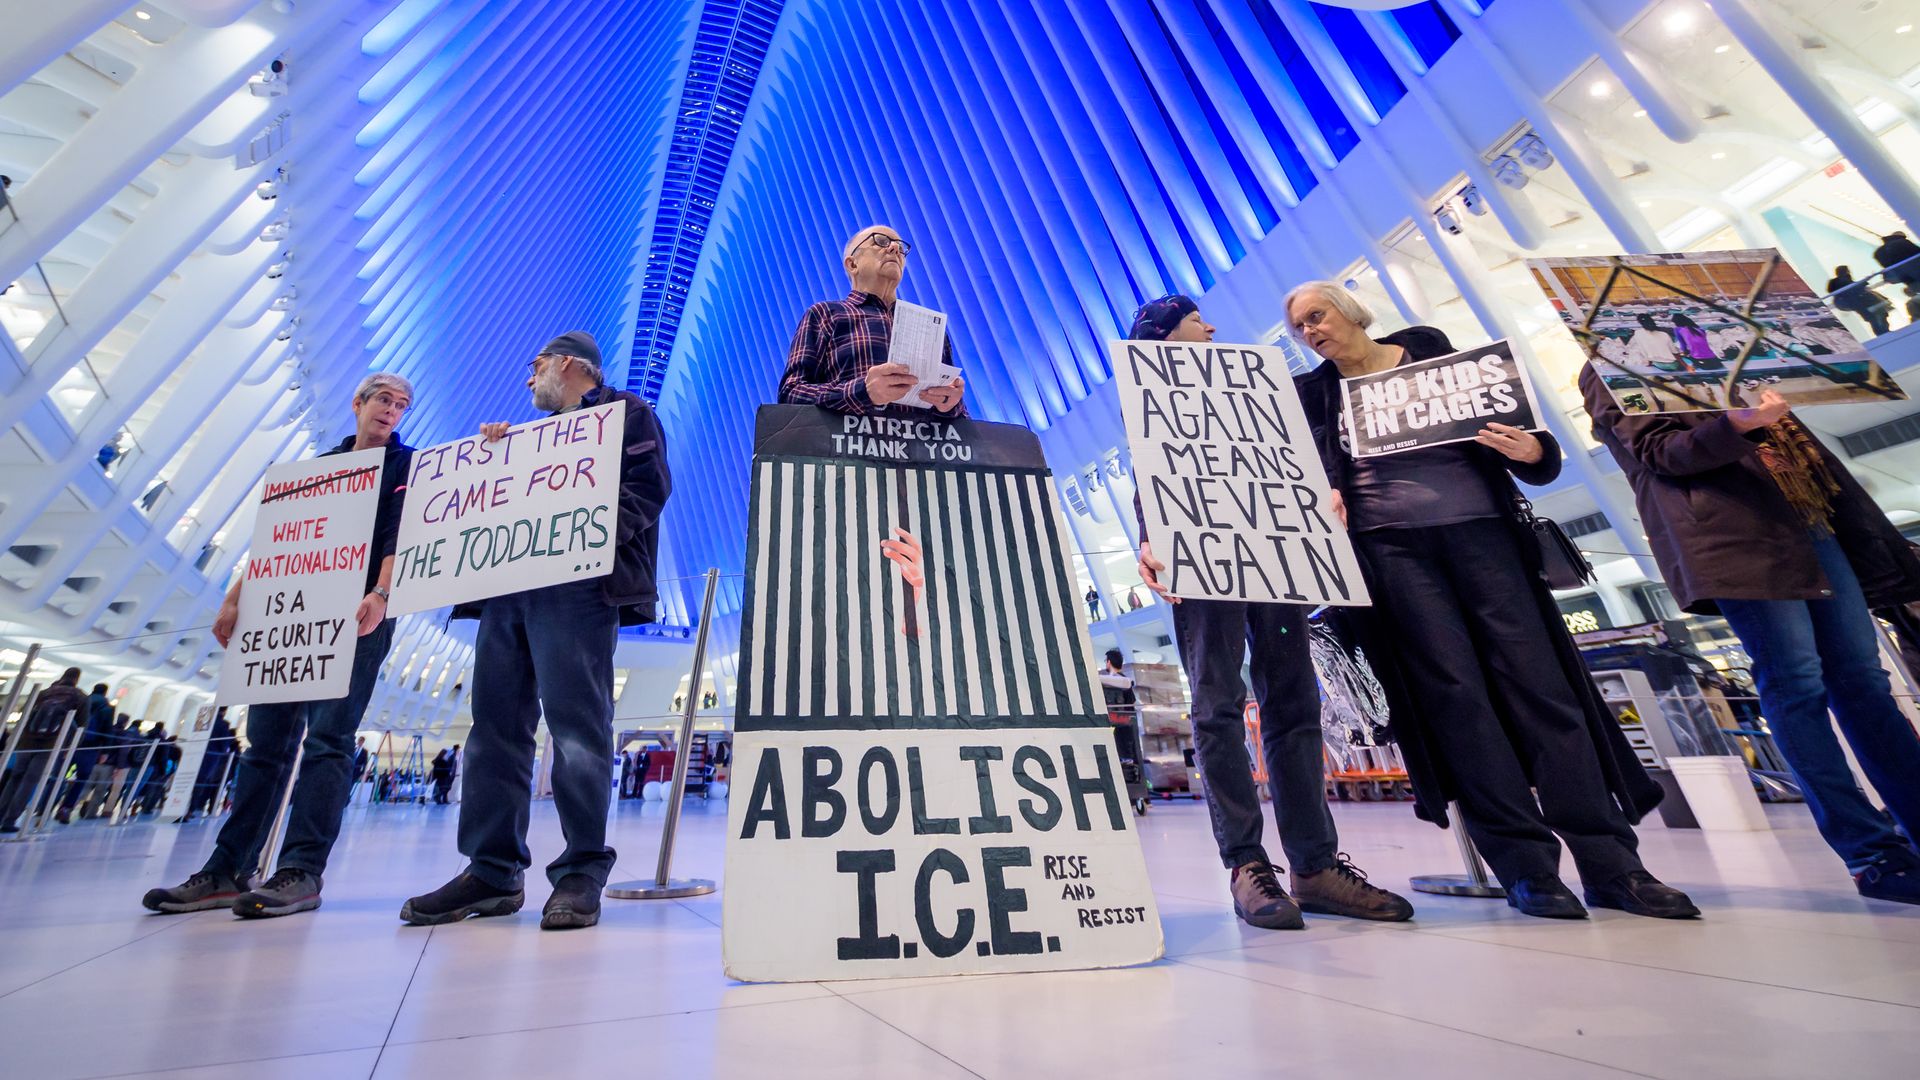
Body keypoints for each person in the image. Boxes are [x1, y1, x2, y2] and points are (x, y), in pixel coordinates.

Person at [1285, 280, 1695, 920]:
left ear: (1351, 311)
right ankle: (1526, 869)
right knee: (1457, 702)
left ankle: (1613, 865)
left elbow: (1530, 448)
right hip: (1390, 554)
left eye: (1318, 315)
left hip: (1485, 537)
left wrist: (1534, 450)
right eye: (1299, 328)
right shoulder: (1312, 396)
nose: (1310, 331)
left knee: (1544, 692)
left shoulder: (1435, 356)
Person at [1133, 294, 1415, 929]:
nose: (1211, 325)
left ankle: (1314, 865)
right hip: (1202, 560)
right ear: (1166, 336)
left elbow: (1293, 457)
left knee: (1293, 698)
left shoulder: (1259, 386)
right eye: (1196, 321)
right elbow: (1152, 474)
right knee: (1216, 704)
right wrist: (1151, 539)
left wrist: (1324, 497)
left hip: (1274, 552)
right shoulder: (1152, 397)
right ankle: (1246, 863)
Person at [1583, 376, 1920, 905]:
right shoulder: (1611, 365)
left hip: (1809, 518)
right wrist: (1734, 426)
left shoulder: (1725, 351)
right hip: (1735, 536)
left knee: (1864, 681)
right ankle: (1872, 854)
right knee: (1795, 683)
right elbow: (1657, 451)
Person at [402, 331, 671, 931]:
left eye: (537, 365)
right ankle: (492, 869)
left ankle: (580, 869)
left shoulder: (625, 414)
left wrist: (587, 538)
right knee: (494, 729)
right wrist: (498, 457)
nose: (528, 378)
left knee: (577, 728)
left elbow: (649, 488)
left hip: (578, 587)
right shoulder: (526, 438)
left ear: (570, 365)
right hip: (506, 588)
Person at [143, 372, 416, 918]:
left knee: (329, 741)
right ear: (358, 402)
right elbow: (277, 540)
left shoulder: (406, 467)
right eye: (384, 400)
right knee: (266, 744)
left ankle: (300, 871)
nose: (392, 410)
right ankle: (226, 868)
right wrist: (235, 599)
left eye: (402, 405)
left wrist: (381, 592)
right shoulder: (316, 471)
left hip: (358, 613)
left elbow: (397, 532)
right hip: (291, 615)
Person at [777, 224, 966, 417]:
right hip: (849, 446)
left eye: (900, 248)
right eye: (881, 241)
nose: (895, 249)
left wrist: (951, 404)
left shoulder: (929, 325)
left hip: (920, 446)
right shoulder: (824, 314)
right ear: (852, 264)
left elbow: (960, 419)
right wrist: (863, 391)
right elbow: (791, 394)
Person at [0, 667, 87, 832]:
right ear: (77, 678)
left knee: (15, 778)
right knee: (30, 781)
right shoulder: (80, 697)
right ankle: (10, 821)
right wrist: (70, 747)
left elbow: (25, 714)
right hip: (51, 744)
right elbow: (82, 726)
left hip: (27, 741)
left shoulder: (44, 693)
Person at [52, 681, 117, 823]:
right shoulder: (107, 708)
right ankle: (66, 808)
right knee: (81, 779)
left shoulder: (82, 700)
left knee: (60, 775)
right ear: (105, 692)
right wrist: (105, 751)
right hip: (90, 748)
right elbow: (107, 729)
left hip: (71, 744)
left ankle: (47, 806)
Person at [1827, 266, 1892, 337]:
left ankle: (1883, 332)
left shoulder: (1842, 281)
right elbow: (1851, 291)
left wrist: (1862, 284)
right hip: (1857, 301)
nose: (1848, 272)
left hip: (1859, 302)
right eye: (1846, 271)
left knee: (1874, 317)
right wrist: (1862, 284)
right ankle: (1882, 333)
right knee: (1873, 317)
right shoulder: (1840, 281)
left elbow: (1854, 289)